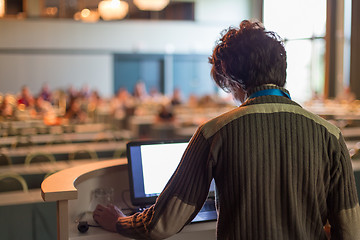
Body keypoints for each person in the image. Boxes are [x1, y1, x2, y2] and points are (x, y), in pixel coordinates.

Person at [93, 20, 360, 239]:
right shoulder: (330, 135)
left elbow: (164, 222)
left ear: (231, 78)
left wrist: (120, 221)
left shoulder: (214, 132)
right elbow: (350, 229)